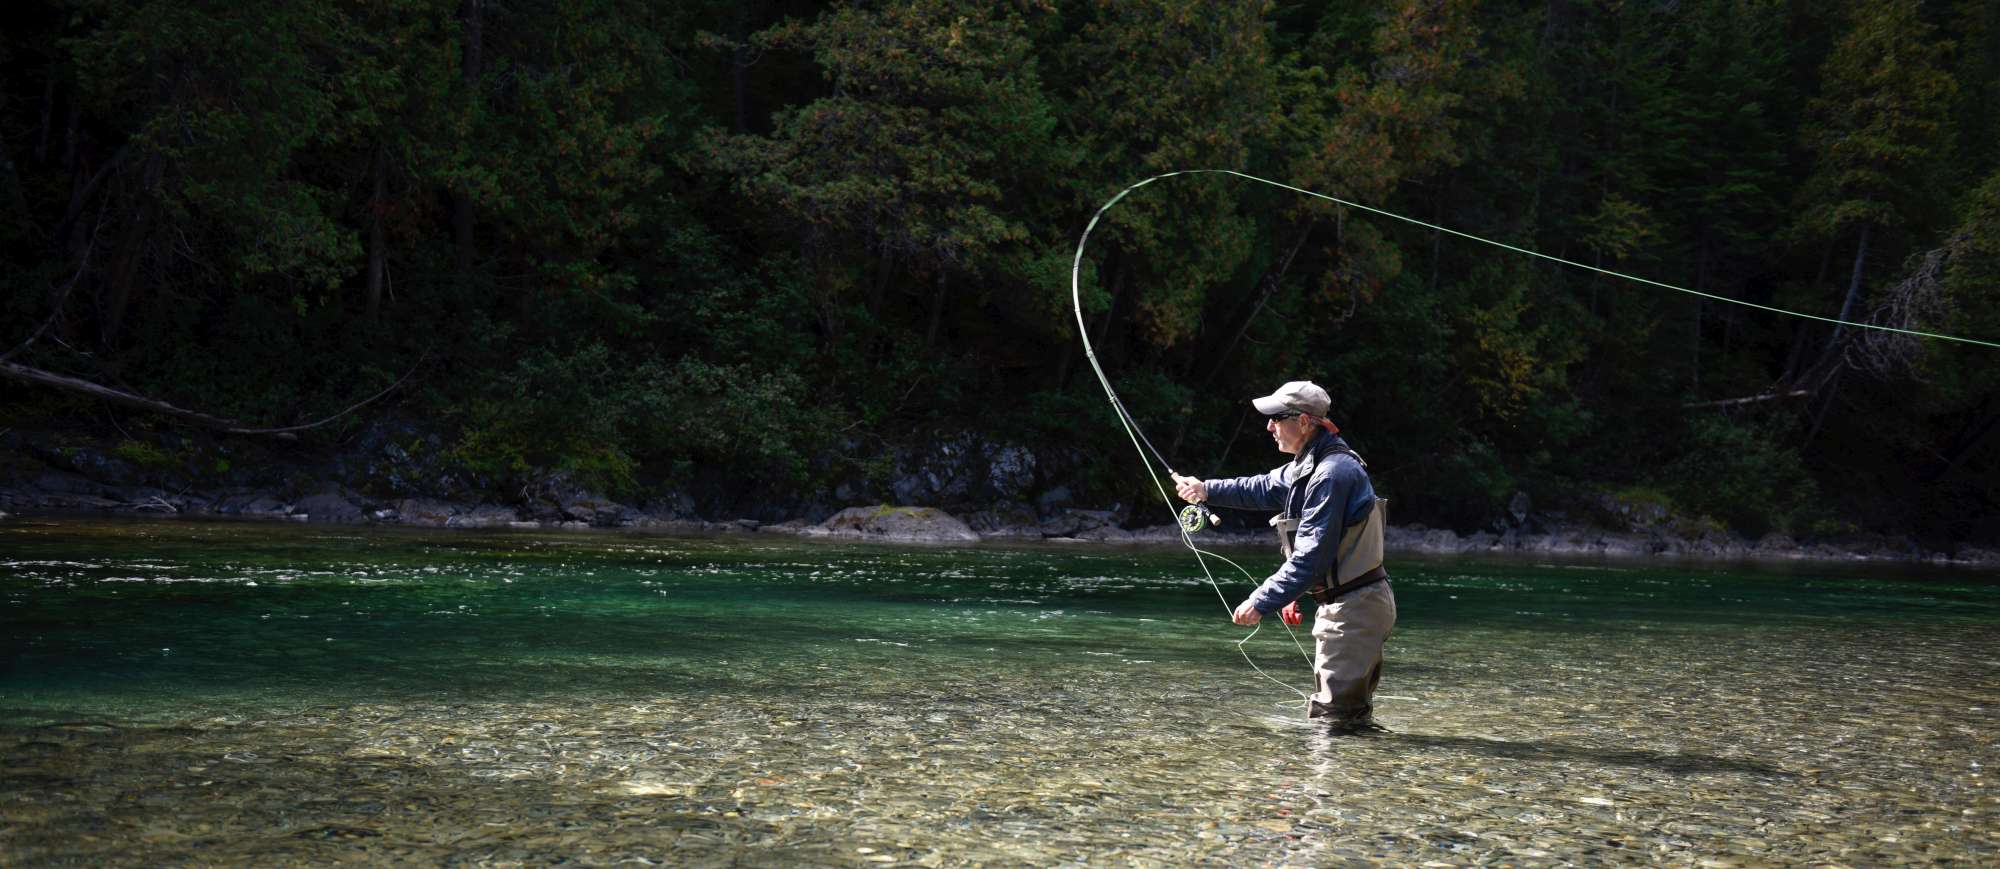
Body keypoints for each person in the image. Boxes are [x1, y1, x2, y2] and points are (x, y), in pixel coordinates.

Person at [1172, 380, 1396, 729]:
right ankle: (1355, 778)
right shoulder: (1310, 463)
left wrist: (1262, 600)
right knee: (1348, 721)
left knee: (1335, 723)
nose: (1269, 426)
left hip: (1354, 610)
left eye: (1276, 418)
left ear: (1304, 422)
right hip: (1352, 605)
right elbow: (1260, 487)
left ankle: (1338, 782)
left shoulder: (1331, 474)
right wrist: (1205, 490)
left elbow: (1311, 557)